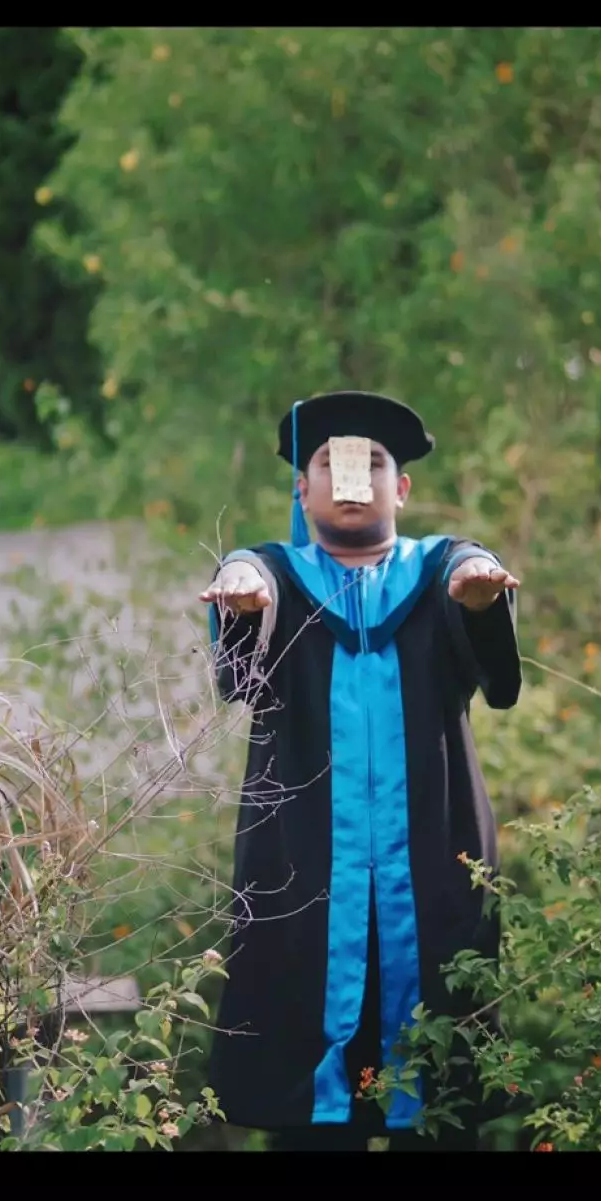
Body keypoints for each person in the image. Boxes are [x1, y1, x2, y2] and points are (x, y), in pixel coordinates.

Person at [199, 391, 522, 1152]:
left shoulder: (439, 568)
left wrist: (480, 590)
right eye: (332, 462)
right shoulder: (275, 572)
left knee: (439, 1105)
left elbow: (478, 588)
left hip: (433, 872)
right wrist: (243, 597)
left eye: (376, 463)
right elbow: (248, 592)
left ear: (401, 488)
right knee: (312, 1119)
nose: (355, 478)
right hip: (305, 884)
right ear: (301, 489)